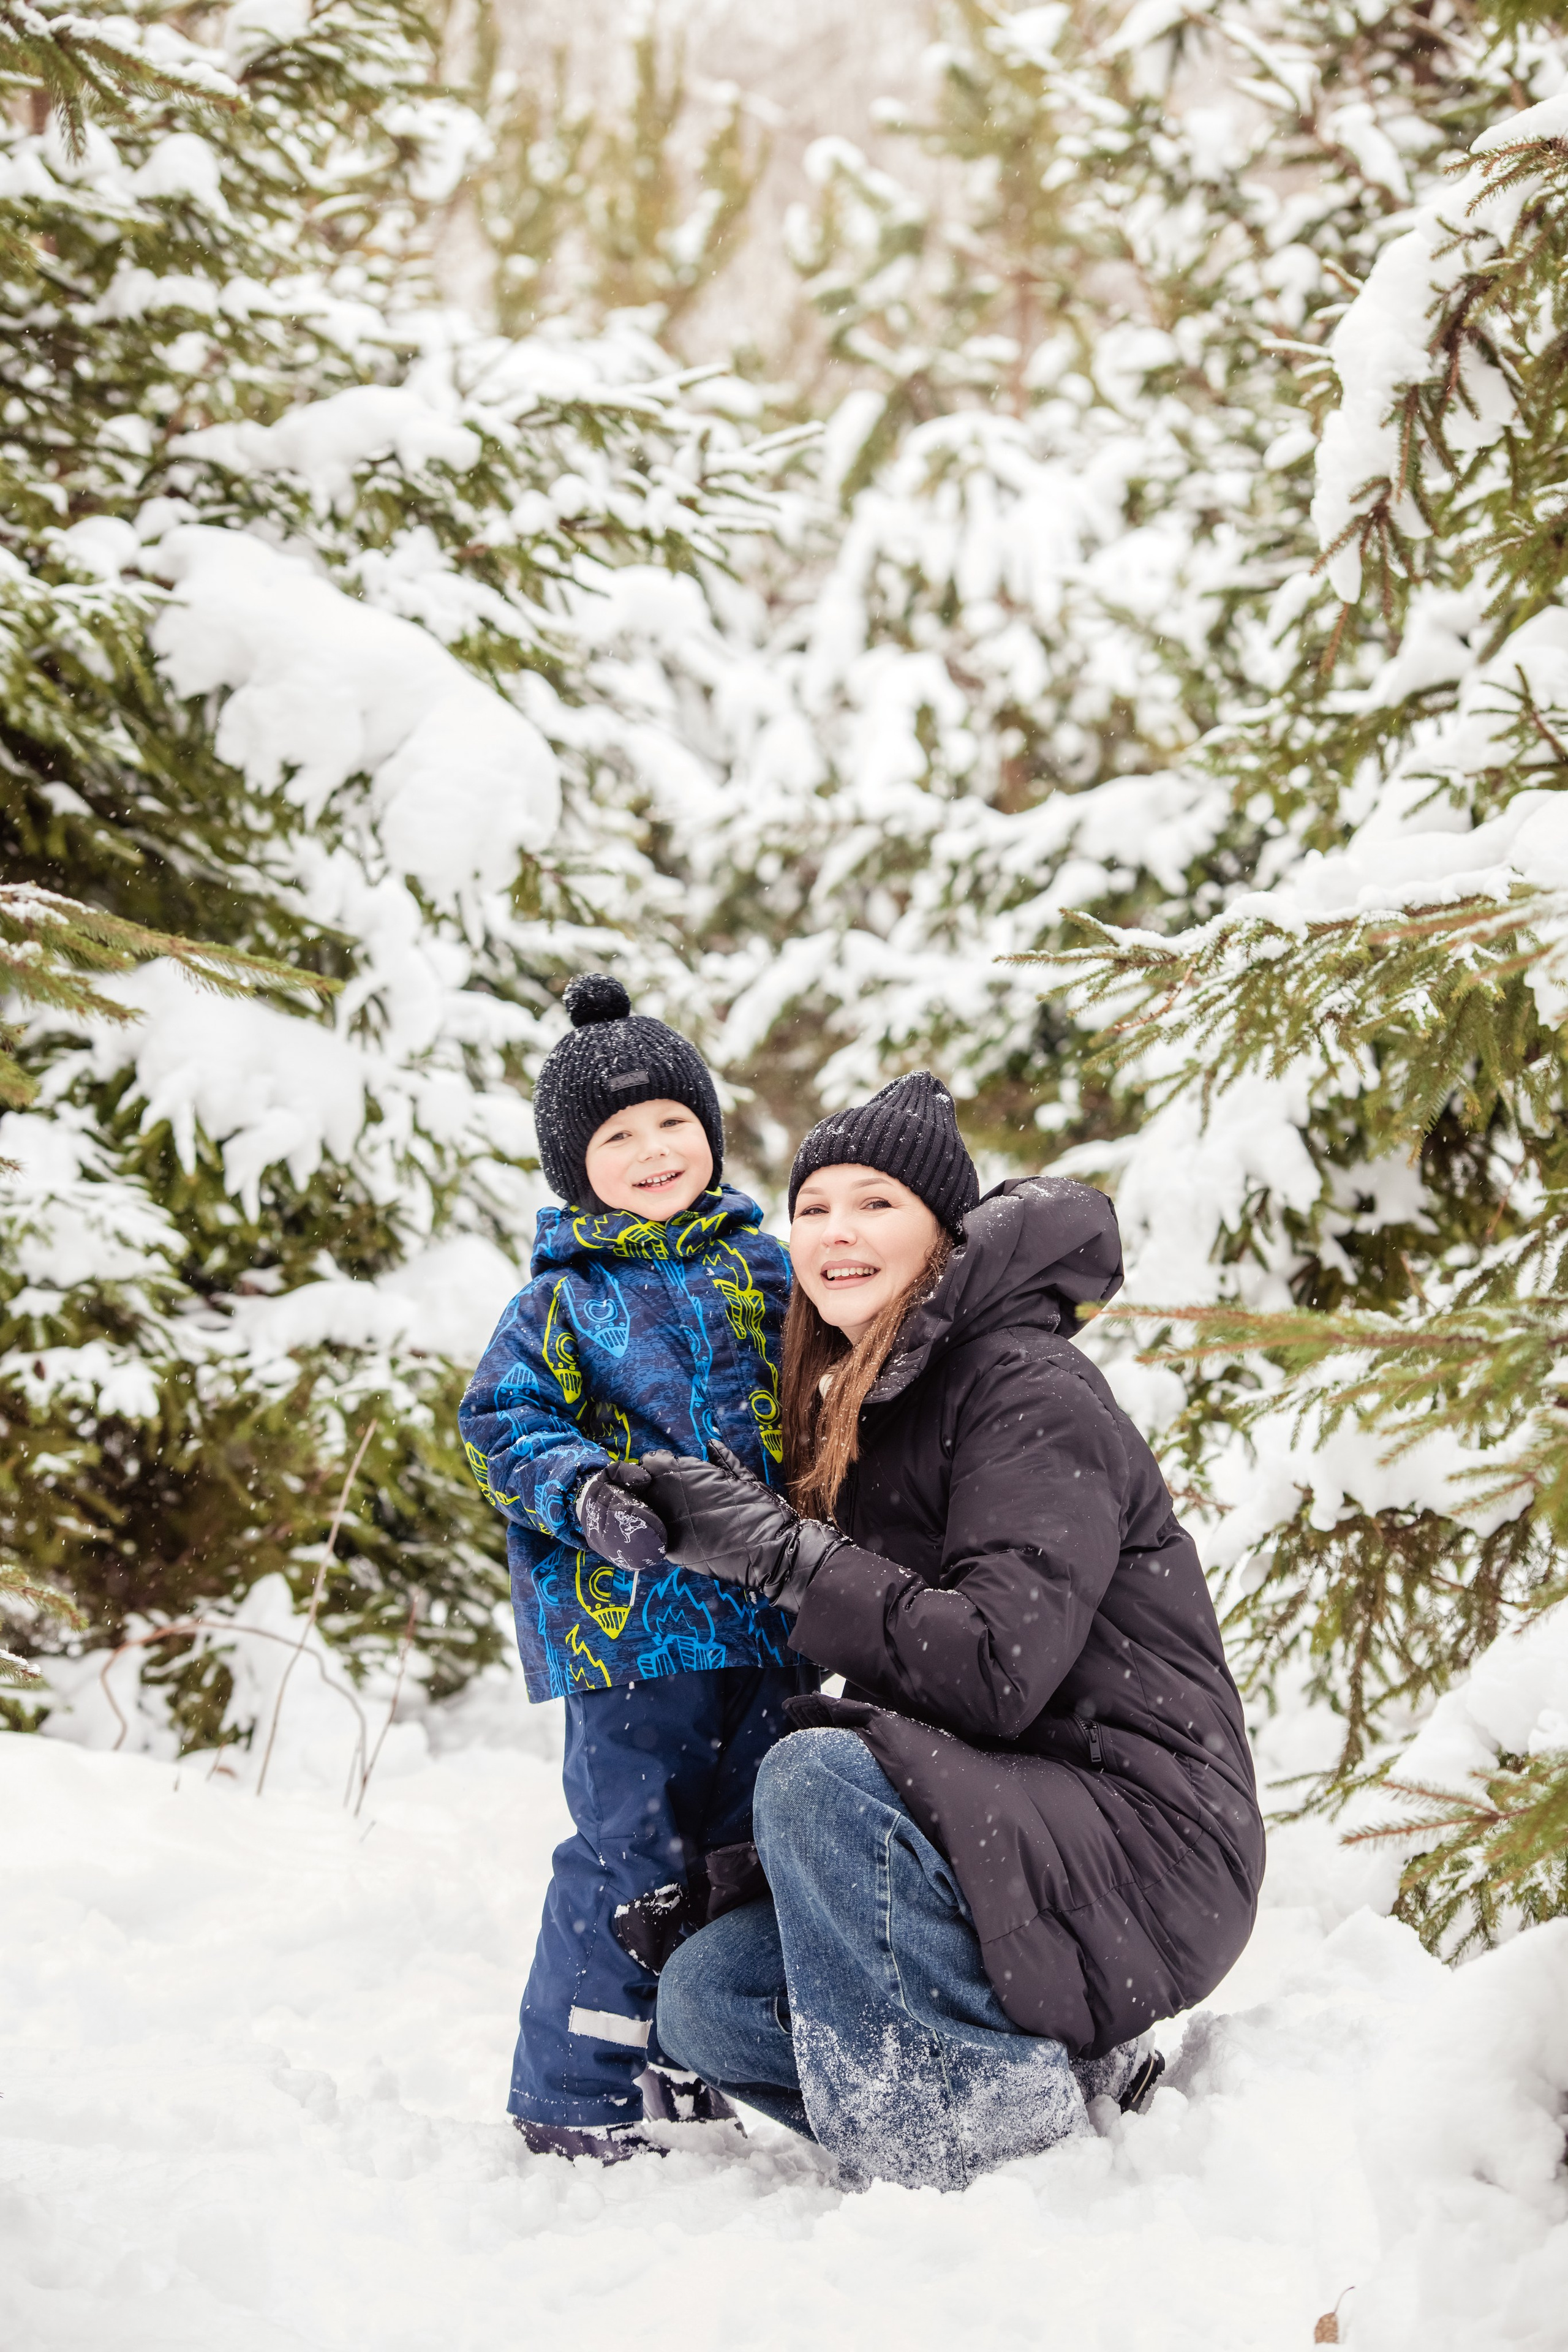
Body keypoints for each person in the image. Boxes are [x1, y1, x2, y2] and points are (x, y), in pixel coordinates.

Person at [608, 1070, 1265, 2191]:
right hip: (1021, 1834)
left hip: (1152, 1843)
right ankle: (1056, 2079)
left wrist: (781, 1554)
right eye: (812, 1207)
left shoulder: (1024, 1387)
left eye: (875, 1204)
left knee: (813, 1775)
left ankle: (979, 2176)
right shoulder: (873, 1406)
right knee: (709, 1996)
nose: (835, 1231)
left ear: (943, 1239)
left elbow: (994, 1671)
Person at [458, 973, 815, 2163]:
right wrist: (584, 1493)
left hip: (767, 1620)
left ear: (709, 1138)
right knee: (633, 1862)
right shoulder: (557, 1304)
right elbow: (500, 1424)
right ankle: (575, 2089)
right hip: (629, 1626)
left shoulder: (765, 1274)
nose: (654, 1150)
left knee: (738, 1850)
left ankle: (686, 2061)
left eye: (674, 1124)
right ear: (576, 1168)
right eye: (618, 1136)